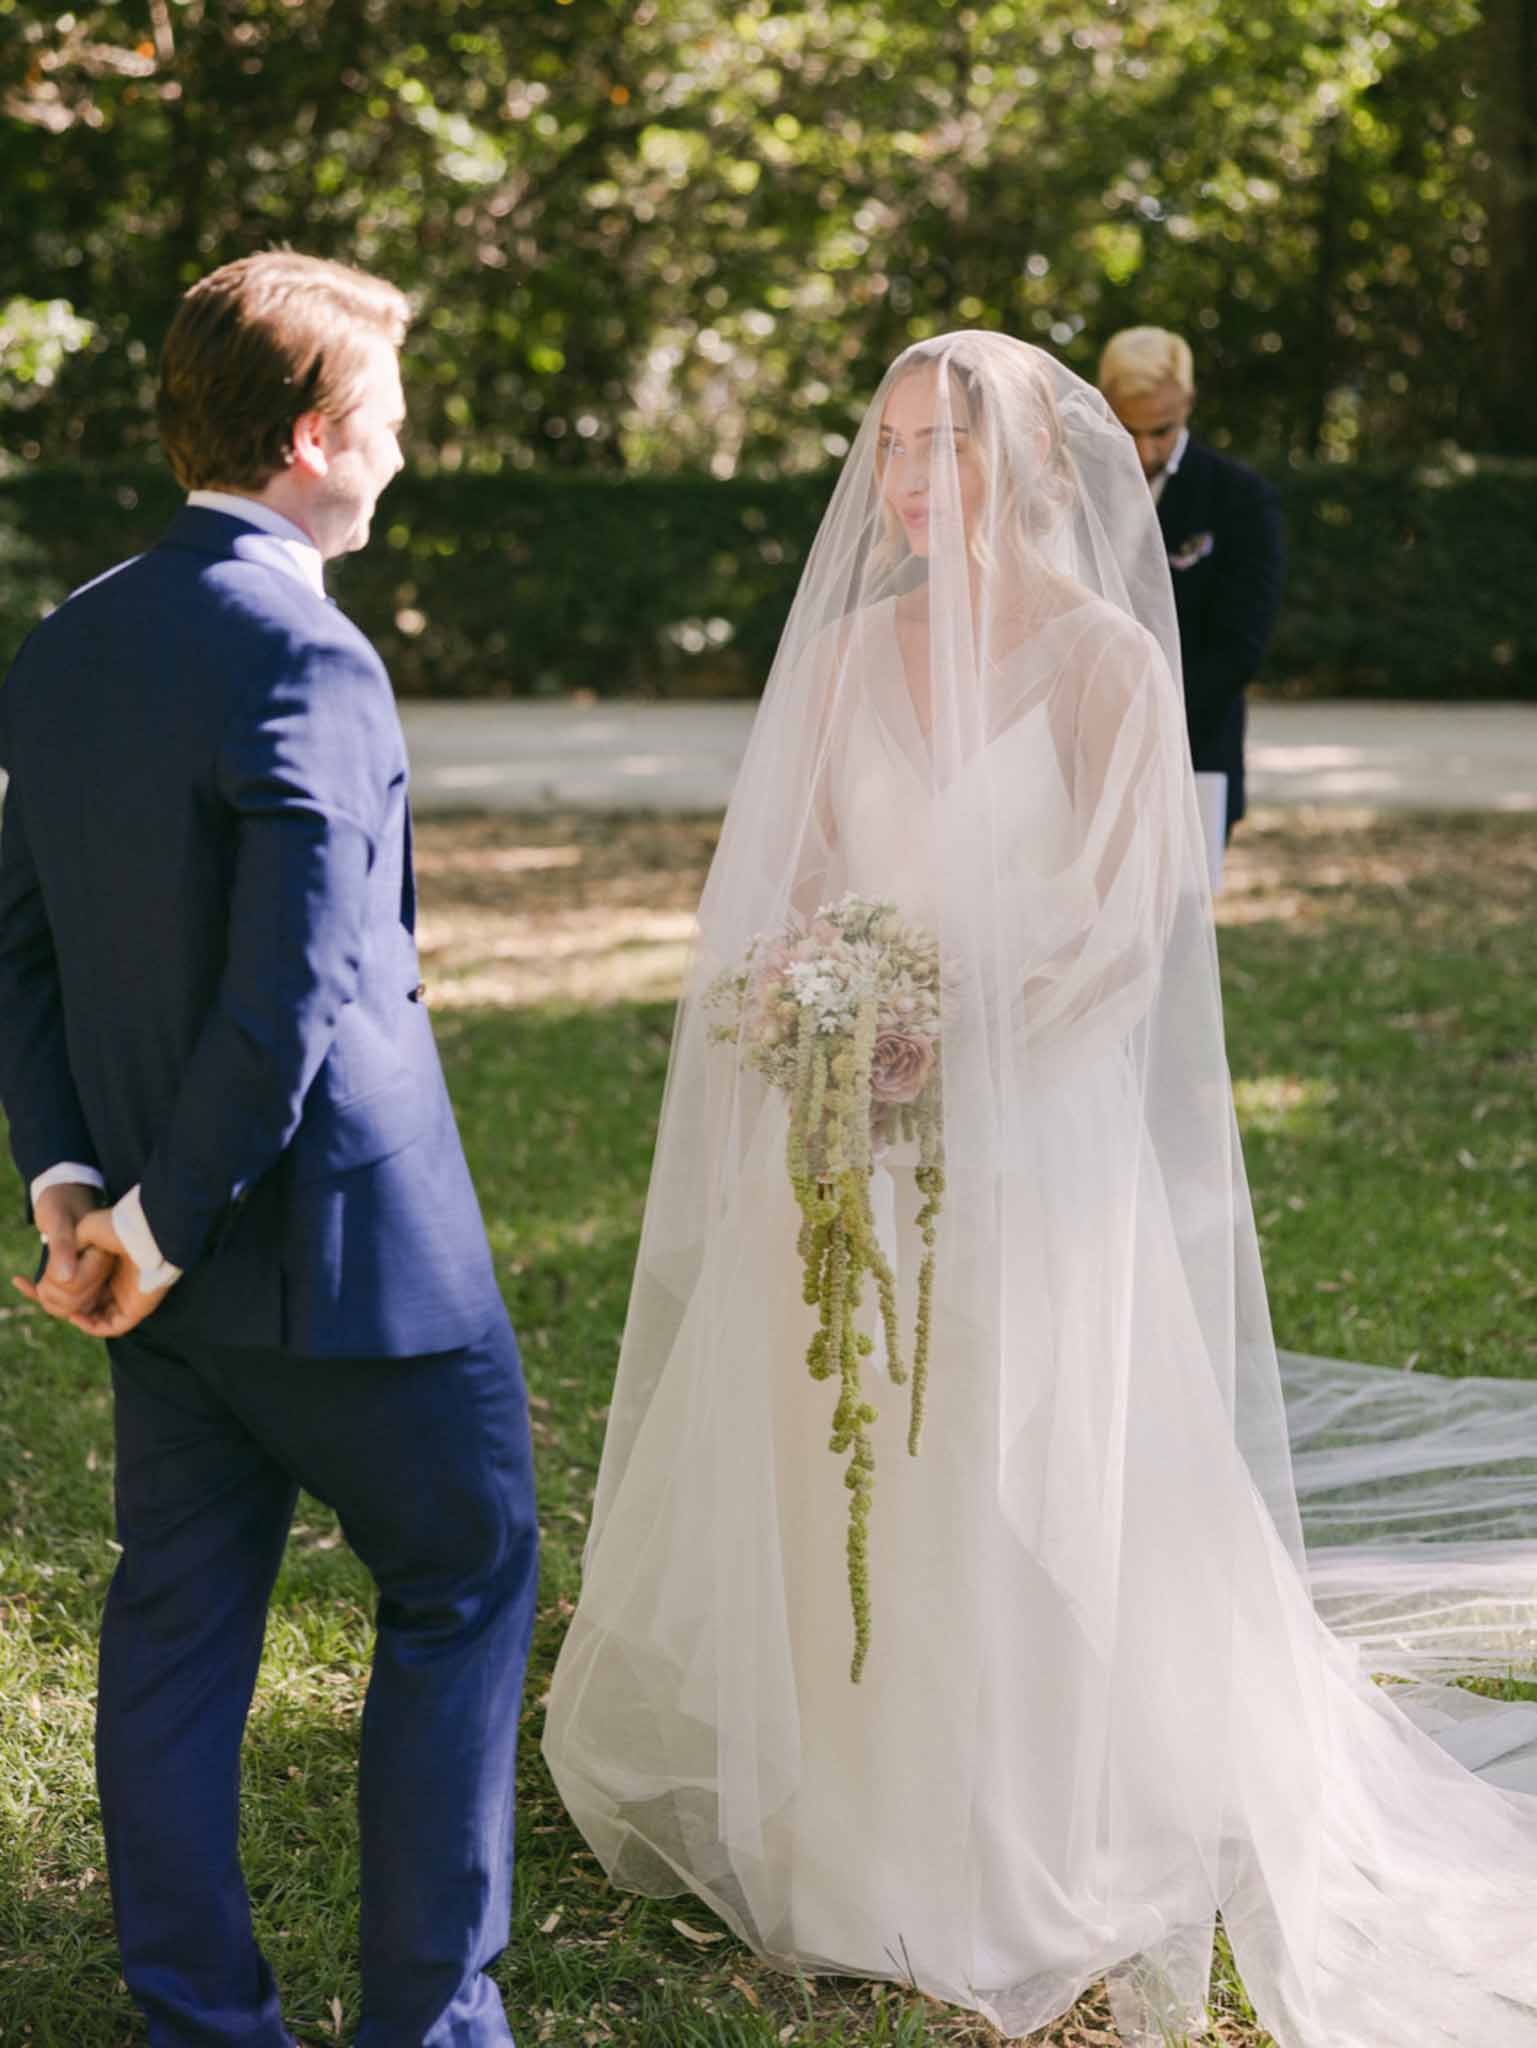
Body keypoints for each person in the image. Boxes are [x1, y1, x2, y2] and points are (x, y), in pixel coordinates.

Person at [542, 331, 1537, 2046]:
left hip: (1029, 1136)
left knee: (1011, 1436)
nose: (910, 482)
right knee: (848, 1445)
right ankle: (848, 1786)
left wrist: (967, 1038)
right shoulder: (846, 658)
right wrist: (817, 1000)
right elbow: (791, 883)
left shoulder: (1099, 660)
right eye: (892, 451)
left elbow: (1121, 920)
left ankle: (1023, 1799)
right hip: (851, 1125)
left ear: (1021, 469)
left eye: (943, 449)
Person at [0, 252, 538, 2048]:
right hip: (350, 1267)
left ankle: (198, 2025)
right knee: (461, 1579)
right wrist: (151, 1213)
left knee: (171, 1629)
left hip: (153, 1273)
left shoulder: (68, 636)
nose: (399, 451)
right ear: (316, 435)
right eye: (387, 418)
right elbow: (298, 983)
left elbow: (26, 947)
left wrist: (75, 1186)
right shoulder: (306, 642)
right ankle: (429, 2025)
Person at [1097, 325, 1283, 846]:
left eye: (1160, 430)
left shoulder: (1238, 498)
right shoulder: (1071, 487)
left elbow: (1241, 645)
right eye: (1125, 428)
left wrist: (1148, 724)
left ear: (1189, 402)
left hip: (1194, 746)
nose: (1143, 450)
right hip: (1078, 755)